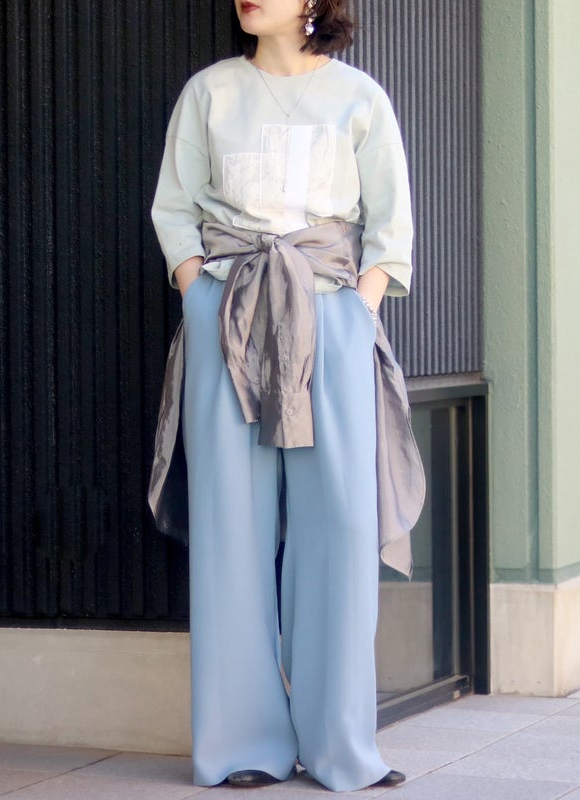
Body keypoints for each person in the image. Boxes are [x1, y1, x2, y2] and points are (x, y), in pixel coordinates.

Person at [149, 0, 425, 792]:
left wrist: (358, 312)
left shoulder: (359, 97)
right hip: (229, 319)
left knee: (340, 527)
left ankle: (341, 747)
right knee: (230, 529)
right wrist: (198, 294)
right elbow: (174, 209)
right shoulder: (209, 93)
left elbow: (390, 226)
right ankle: (243, 745)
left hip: (330, 320)